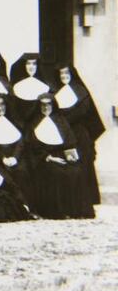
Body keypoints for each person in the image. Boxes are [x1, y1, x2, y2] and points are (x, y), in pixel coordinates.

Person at [25, 94, 94, 219]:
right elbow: (32, 147)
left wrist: (71, 155)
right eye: (43, 105)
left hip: (62, 155)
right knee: (56, 172)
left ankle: (76, 211)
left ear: (53, 105)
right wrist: (49, 157)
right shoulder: (33, 123)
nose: (46, 107)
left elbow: (70, 141)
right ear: (39, 106)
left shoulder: (60, 120)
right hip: (44, 158)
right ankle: (58, 212)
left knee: (76, 171)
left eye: (48, 104)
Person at [52, 63, 105, 207]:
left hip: (79, 134)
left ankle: (86, 200)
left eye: (67, 74)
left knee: (83, 164)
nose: (64, 77)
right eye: (62, 75)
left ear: (72, 75)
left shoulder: (80, 91)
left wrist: (66, 118)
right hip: (64, 134)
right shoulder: (55, 92)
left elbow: (84, 112)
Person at [0, 94, 33, 208]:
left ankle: (26, 206)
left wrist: (15, 157)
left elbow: (20, 142)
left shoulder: (14, 120)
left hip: (16, 157)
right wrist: (3, 158)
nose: (0, 108)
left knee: (22, 173)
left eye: (2, 105)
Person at [10, 53, 51, 122]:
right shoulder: (18, 86)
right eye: (28, 63)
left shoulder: (44, 86)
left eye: (34, 64)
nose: (31, 67)